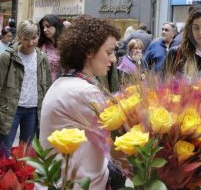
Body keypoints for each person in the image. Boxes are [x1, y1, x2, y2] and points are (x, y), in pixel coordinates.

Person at [39, 15, 124, 189]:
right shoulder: (83, 91)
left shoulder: (67, 83)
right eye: (108, 52)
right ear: (89, 52)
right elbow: (122, 134)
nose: (113, 59)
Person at [0, 20, 52, 157]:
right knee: (4, 151)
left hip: (33, 110)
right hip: (11, 109)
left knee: (27, 153)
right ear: (19, 38)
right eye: (25, 39)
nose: (30, 43)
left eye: (34, 38)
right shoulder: (7, 57)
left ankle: (23, 179)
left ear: (38, 35)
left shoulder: (42, 58)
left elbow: (47, 85)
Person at [38, 14, 65, 82]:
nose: (44, 30)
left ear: (56, 26)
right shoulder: (41, 46)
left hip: (62, 86)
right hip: (44, 86)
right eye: (43, 27)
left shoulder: (67, 45)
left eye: (48, 26)